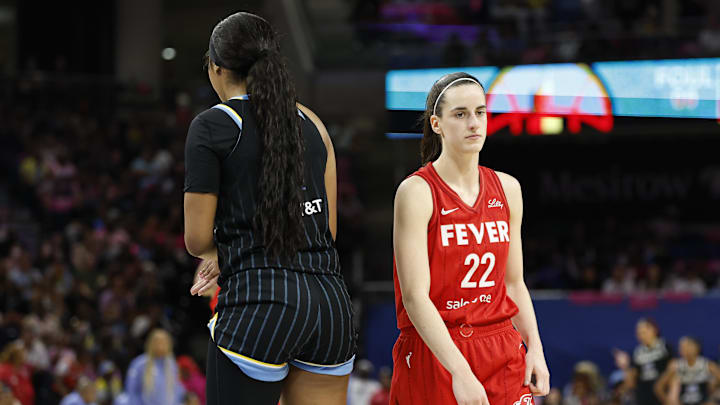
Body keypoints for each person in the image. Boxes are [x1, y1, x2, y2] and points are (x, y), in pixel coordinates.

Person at [183, 11, 356, 405]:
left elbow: (196, 239)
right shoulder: (312, 122)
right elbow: (326, 231)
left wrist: (221, 254)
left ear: (216, 67)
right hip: (330, 307)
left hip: (259, 304)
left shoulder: (212, 126)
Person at [390, 72, 550, 405]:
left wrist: (534, 346)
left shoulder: (508, 189)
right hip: (437, 348)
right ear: (437, 124)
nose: (473, 123)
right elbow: (415, 297)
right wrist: (461, 372)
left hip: (501, 344)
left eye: (480, 112)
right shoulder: (417, 192)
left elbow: (514, 284)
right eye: (460, 114)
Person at [124, 329, 185, 405]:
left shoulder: (172, 365)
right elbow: (131, 390)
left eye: (164, 341)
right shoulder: (140, 363)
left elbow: (177, 390)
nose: (160, 344)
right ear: (150, 343)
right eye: (157, 341)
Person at [619, 318, 672, 405]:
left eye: (644, 332)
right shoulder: (637, 352)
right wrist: (625, 367)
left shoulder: (665, 347)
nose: (641, 336)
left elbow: (673, 369)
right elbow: (631, 383)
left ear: (654, 330)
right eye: (638, 333)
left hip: (663, 396)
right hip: (643, 397)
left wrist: (660, 386)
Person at [654, 337, 720, 405]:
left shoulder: (708, 365)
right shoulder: (676, 366)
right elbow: (658, 387)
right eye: (682, 346)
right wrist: (667, 401)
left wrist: (714, 399)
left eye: (688, 346)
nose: (685, 349)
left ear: (697, 347)